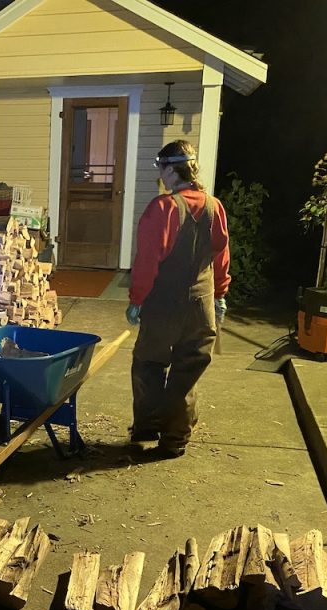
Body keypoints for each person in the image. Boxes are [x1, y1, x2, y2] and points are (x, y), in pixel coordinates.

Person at [125, 139, 230, 458]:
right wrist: (220, 294)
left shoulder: (163, 209)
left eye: (161, 168)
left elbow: (147, 261)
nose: (160, 175)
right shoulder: (214, 206)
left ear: (172, 170)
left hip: (164, 306)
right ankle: (175, 439)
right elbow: (221, 255)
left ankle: (147, 427)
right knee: (187, 371)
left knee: (148, 363)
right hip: (201, 305)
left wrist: (137, 299)